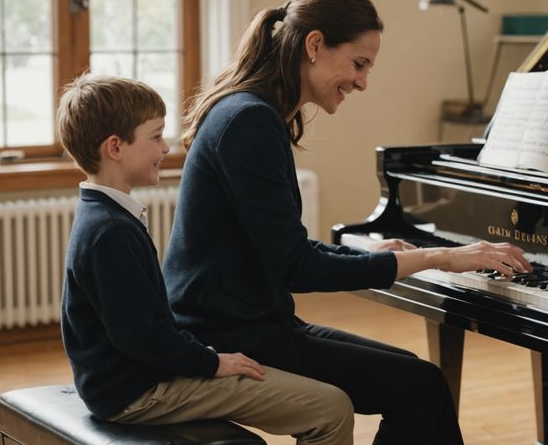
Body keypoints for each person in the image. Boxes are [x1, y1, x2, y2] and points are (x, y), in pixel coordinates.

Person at [163, 0, 531, 444]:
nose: (362, 81)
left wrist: (369, 254)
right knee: (421, 389)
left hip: (250, 321)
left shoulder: (253, 114)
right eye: (358, 64)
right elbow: (295, 267)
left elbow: (282, 250)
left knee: (419, 377)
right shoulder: (249, 122)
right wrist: (438, 257)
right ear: (314, 44)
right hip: (228, 335)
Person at [56, 74, 356, 445]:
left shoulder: (101, 215)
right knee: (331, 408)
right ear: (115, 147)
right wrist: (213, 362)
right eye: (155, 137)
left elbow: (144, 328)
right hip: (136, 393)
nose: (165, 148)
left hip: (128, 381)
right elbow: (144, 338)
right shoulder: (110, 232)